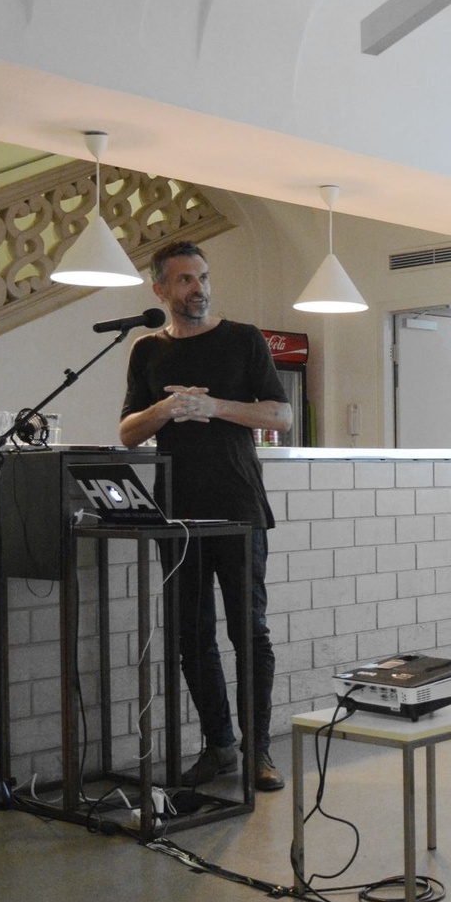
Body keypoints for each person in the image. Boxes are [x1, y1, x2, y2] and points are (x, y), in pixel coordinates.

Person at [120, 240, 293, 793]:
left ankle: (258, 750)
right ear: (160, 290)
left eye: (203, 277)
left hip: (239, 509)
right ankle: (220, 747)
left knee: (250, 633)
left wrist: (212, 406)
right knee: (191, 637)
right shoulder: (146, 351)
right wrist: (167, 408)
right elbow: (127, 432)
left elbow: (281, 415)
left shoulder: (243, 339)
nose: (199, 288)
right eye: (185, 280)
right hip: (177, 514)